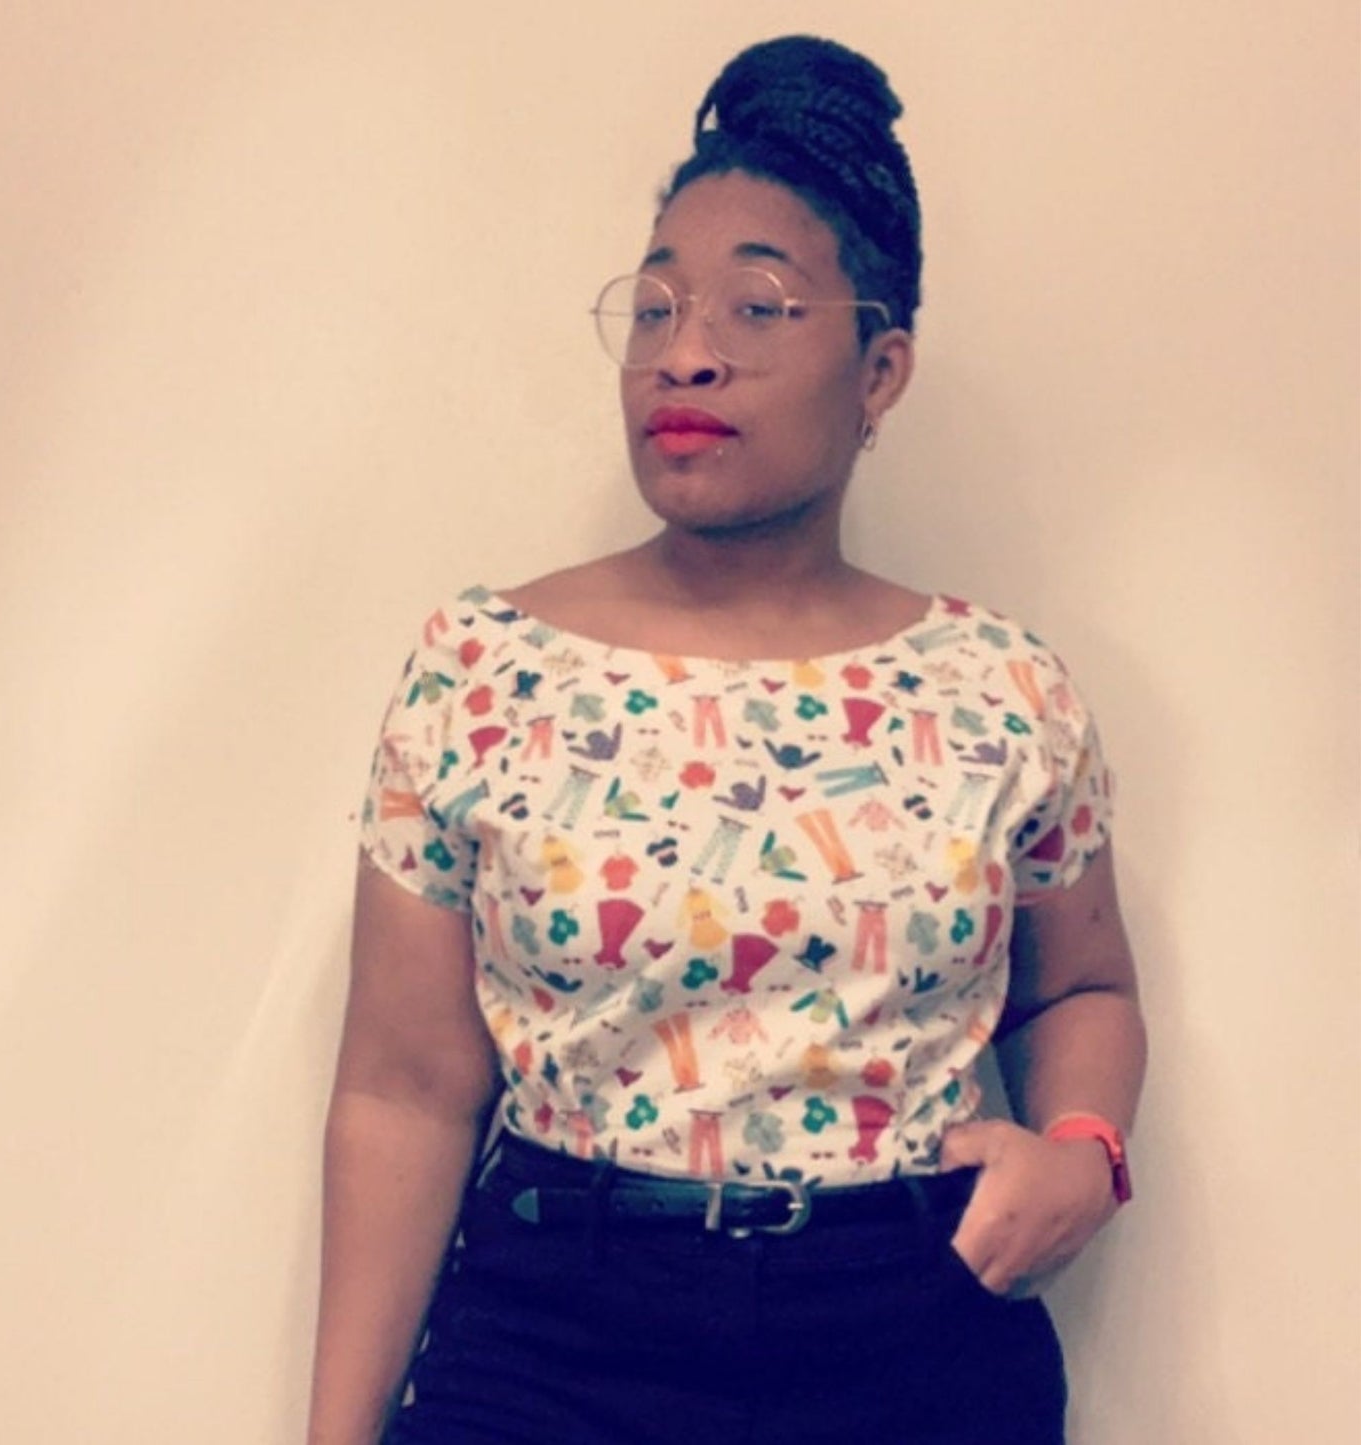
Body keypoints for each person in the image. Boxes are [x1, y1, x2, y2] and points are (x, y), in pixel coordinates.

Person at [307, 34, 1146, 1445]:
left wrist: (1083, 1149)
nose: (685, 352)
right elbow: (404, 1091)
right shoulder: (482, 667)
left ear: (880, 369)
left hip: (910, 1336)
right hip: (553, 1338)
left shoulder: (1002, 686)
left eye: (759, 306)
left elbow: (1083, 987)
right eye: (654, 307)